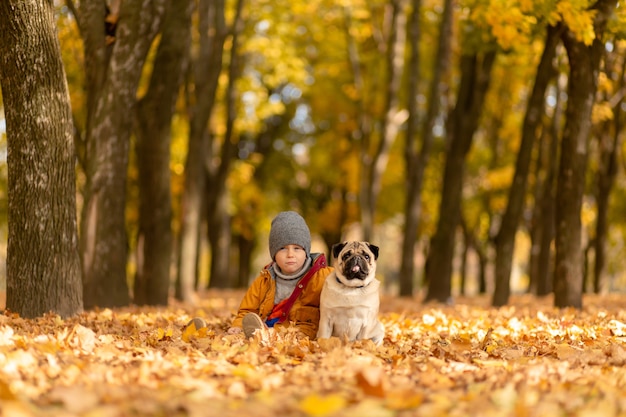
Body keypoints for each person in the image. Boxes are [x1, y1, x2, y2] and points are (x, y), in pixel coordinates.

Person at [187, 211, 333, 339]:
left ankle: (256, 334)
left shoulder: (322, 277)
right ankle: (203, 334)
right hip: (264, 323)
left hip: (299, 331)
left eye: (297, 248)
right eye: (282, 249)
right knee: (237, 334)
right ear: (274, 253)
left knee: (278, 335)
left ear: (306, 251)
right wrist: (238, 324)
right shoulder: (266, 278)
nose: (290, 255)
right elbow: (248, 309)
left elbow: (345, 284)